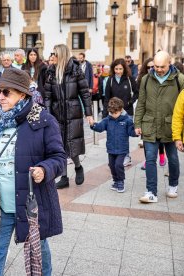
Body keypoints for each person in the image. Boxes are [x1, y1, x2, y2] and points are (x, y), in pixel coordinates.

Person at [0, 67, 65, 276]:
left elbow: (59, 158)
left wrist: (44, 169)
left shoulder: (43, 120)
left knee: (39, 249)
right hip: (0, 201)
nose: (0, 97)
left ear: (22, 95)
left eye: (6, 92)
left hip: (31, 202)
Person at [135, 51, 184, 203]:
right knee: (150, 159)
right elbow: (141, 102)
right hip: (149, 124)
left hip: (170, 125)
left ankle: (173, 185)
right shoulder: (145, 79)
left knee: (173, 158)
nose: (158, 69)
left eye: (162, 66)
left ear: (169, 63)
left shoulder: (179, 79)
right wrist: (137, 123)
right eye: (156, 66)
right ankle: (151, 192)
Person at [42, 44, 92, 189]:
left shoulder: (76, 70)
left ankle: (78, 167)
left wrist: (89, 113)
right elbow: (47, 97)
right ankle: (64, 177)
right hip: (57, 114)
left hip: (72, 113)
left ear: (61, 55)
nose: (52, 57)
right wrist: (47, 115)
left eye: (54, 54)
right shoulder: (51, 72)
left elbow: (84, 92)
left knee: (72, 145)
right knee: (60, 146)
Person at [90, 97, 137, 193]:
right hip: (111, 148)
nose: (113, 115)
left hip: (122, 149)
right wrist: (93, 125)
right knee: (112, 165)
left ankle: (121, 182)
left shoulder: (127, 120)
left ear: (121, 110)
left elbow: (131, 132)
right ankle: (115, 181)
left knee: (118, 165)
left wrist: (136, 132)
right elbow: (100, 127)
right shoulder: (108, 119)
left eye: (115, 113)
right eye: (111, 113)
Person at [103, 58, 138, 167]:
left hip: (126, 112)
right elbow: (107, 98)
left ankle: (126, 157)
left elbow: (137, 93)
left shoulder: (129, 79)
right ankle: (114, 157)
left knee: (124, 136)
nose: (118, 71)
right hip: (113, 113)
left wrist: (129, 102)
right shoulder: (111, 80)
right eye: (116, 69)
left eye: (120, 69)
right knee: (113, 136)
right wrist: (105, 113)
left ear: (124, 68)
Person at [136, 58, 166, 169]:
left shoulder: (161, 78)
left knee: (159, 137)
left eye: (152, 67)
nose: (150, 69)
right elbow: (139, 95)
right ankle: (148, 160)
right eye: (148, 67)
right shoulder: (143, 79)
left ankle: (162, 154)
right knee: (146, 139)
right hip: (146, 113)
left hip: (158, 112)